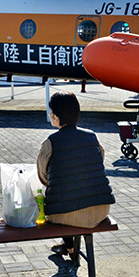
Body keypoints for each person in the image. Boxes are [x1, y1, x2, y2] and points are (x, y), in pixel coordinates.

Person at [37, 91, 115, 256]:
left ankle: (71, 249)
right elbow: (99, 161)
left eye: (51, 112)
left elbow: (43, 176)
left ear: (56, 117)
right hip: (101, 209)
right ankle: (69, 247)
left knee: (57, 202)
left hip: (65, 214)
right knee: (71, 198)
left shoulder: (50, 143)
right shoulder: (92, 137)